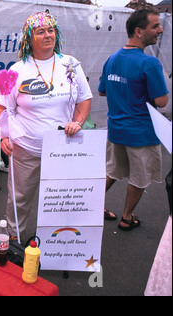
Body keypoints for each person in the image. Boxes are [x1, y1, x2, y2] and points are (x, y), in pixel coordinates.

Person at [0, 11, 93, 239]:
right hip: (26, 148)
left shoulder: (71, 64)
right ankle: (14, 239)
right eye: (41, 32)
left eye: (51, 30)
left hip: (63, 149)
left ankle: (57, 243)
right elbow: (2, 108)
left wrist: (77, 122)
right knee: (19, 198)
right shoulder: (15, 70)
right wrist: (5, 137)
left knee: (59, 199)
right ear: (29, 38)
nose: (48, 35)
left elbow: (84, 99)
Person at [98, 9, 169, 231]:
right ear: (138, 31)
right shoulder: (149, 63)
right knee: (138, 177)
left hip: (117, 129)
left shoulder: (112, 58)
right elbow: (162, 101)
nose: (160, 30)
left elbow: (102, 91)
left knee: (112, 171)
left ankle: (92, 207)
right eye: (155, 26)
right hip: (141, 133)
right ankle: (127, 217)